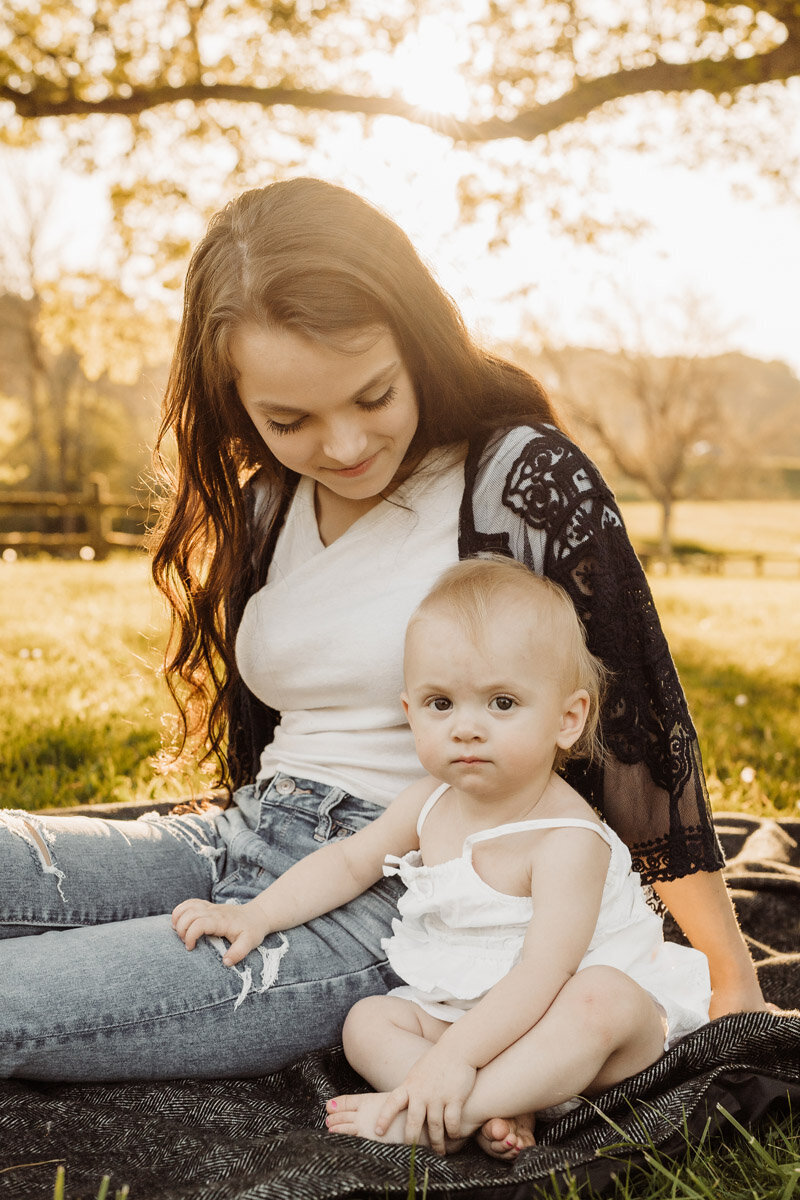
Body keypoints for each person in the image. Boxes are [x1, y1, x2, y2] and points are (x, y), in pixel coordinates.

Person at [0, 177, 763, 1084]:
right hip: (244, 836)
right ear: (237, 404)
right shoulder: (268, 505)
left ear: (416, 340)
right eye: (289, 419)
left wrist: (729, 971)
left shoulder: (517, 481)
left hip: (405, 889)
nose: (345, 445)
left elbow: (641, 727)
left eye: (372, 395)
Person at [172, 558, 712, 1157]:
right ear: (410, 714)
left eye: (502, 703)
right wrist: (257, 915)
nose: (467, 728)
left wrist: (453, 1059)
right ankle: (486, 1108)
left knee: (605, 998)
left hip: (574, 1040)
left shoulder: (567, 840)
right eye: (440, 704)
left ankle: (443, 1109)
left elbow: (543, 975)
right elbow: (350, 862)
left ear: (567, 719)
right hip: (463, 1021)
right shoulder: (429, 803)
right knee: (367, 1024)